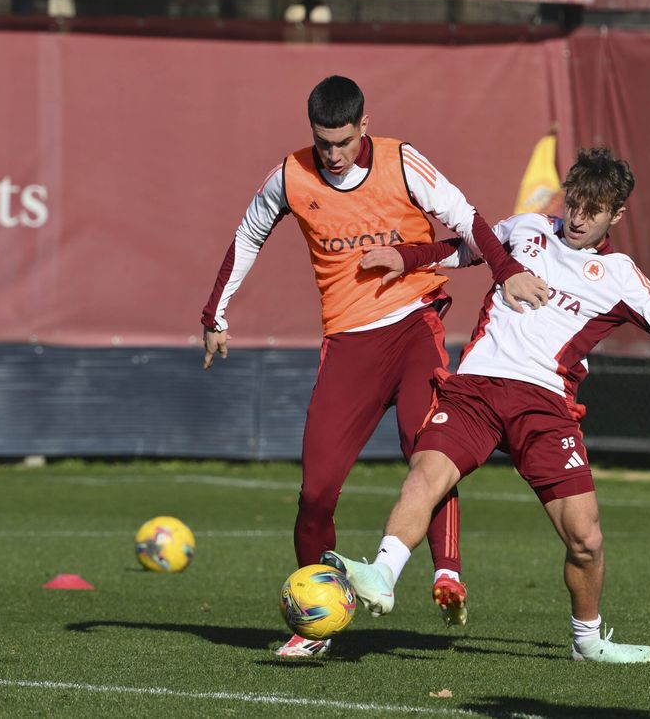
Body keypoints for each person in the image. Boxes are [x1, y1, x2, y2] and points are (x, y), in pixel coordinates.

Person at [321, 147, 650, 663]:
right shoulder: (527, 227)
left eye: (592, 210)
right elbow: (462, 250)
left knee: (586, 540)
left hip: (545, 407)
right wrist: (406, 257)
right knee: (425, 471)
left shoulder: (620, 275)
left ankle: (588, 640)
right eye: (574, 203)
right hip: (477, 390)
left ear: (615, 215)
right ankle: (382, 573)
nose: (578, 218)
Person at [200, 75, 549, 657]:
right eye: (322, 142)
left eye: (342, 141)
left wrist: (507, 270)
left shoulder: (403, 161)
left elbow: (468, 220)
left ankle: (447, 574)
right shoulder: (290, 175)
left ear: (364, 126)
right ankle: (317, 620)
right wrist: (216, 313)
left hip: (415, 325)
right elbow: (247, 236)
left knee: (430, 449)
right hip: (349, 345)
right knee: (315, 494)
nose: (332, 155)